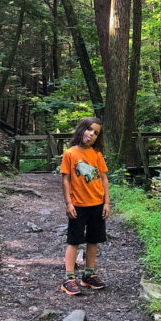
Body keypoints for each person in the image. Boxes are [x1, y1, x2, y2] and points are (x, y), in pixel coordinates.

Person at [59, 116, 109, 295]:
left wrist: (106, 203)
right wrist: (68, 203)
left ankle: (88, 276)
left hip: (97, 204)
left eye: (96, 133)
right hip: (78, 204)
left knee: (93, 240)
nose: (92, 134)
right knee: (74, 241)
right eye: (90, 129)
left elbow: (103, 178)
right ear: (82, 129)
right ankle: (69, 278)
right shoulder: (70, 153)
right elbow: (66, 179)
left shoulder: (96, 155)